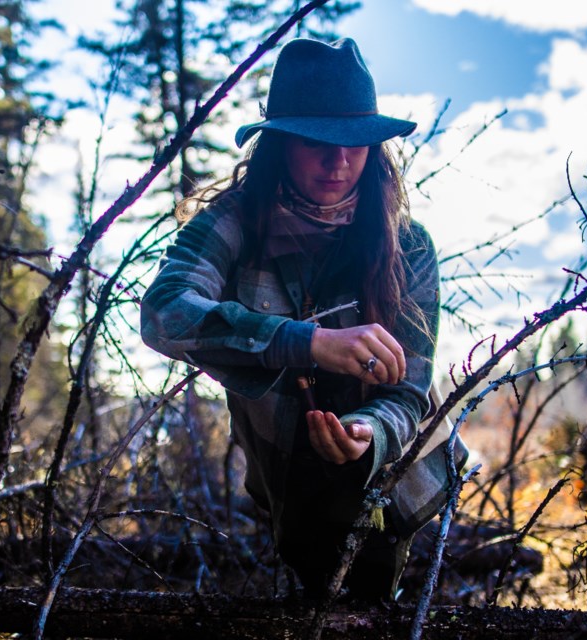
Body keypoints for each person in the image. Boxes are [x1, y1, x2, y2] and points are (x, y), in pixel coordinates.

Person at [140, 38, 467, 602]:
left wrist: (369, 435)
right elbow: (164, 313)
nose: (338, 161)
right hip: (280, 460)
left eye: (357, 143)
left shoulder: (407, 246)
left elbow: (410, 393)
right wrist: (306, 342)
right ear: (281, 142)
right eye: (319, 141)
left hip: (387, 470)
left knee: (369, 595)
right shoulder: (234, 223)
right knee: (311, 581)